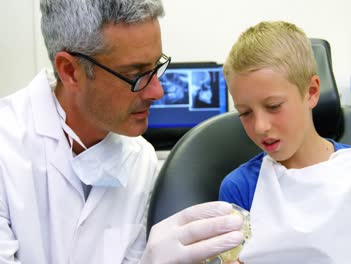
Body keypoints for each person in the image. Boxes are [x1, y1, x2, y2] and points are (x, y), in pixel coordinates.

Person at [0, 0, 244, 263]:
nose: (157, 92)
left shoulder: (142, 158)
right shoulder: (7, 147)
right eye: (136, 74)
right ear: (70, 71)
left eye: (156, 66)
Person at [219, 21, 351, 263]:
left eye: (273, 106)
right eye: (245, 113)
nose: (260, 126)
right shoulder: (240, 187)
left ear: (311, 92)